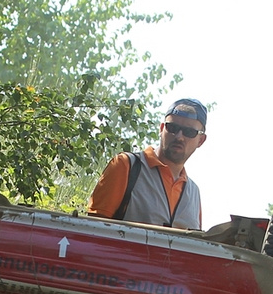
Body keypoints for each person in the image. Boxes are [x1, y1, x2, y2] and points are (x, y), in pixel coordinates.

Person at [87, 98, 207, 229]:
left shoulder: (194, 193)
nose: (179, 136)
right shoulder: (125, 166)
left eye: (189, 132)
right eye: (172, 127)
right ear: (161, 129)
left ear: (201, 140)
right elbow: (93, 232)